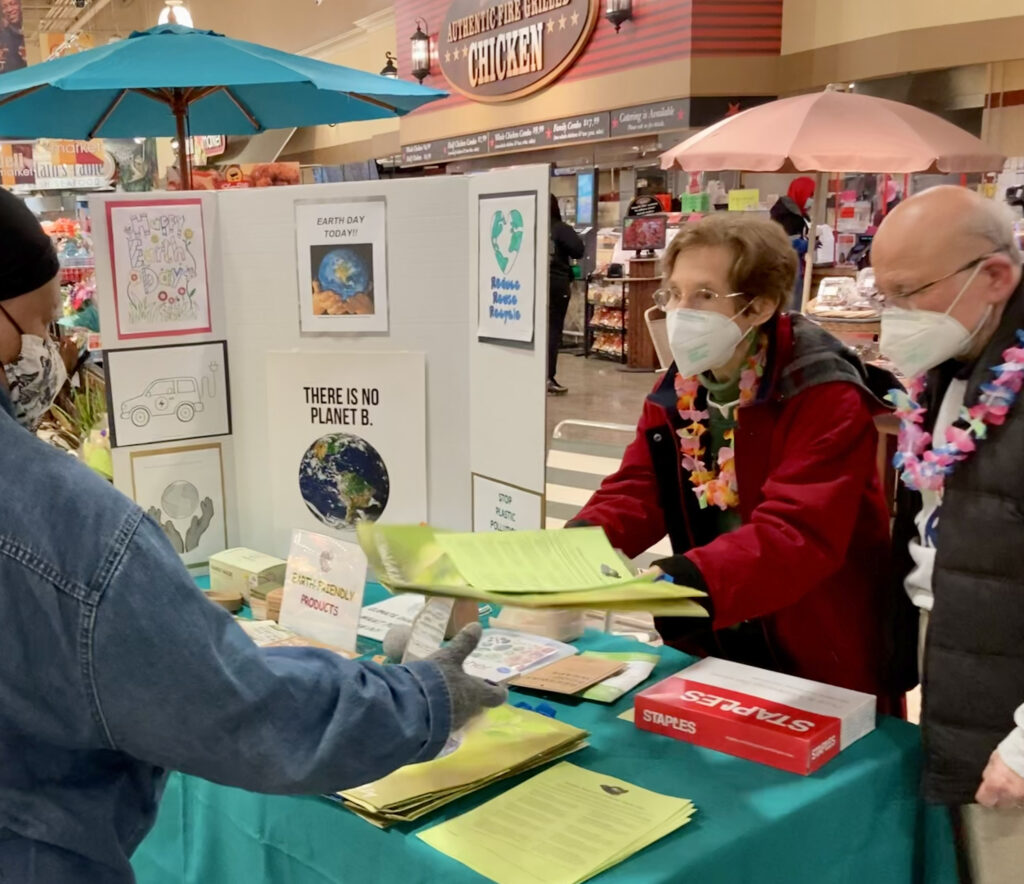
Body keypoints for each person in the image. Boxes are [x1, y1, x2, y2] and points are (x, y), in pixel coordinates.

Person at [0, 187, 506, 883]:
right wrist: (418, 699)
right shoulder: (70, 529)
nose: (48, 351)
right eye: (41, 322)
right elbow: (239, 708)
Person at [570, 213, 914, 712]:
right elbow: (639, 487)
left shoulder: (822, 389)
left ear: (760, 306)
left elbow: (797, 533)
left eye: (705, 295)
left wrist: (681, 580)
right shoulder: (681, 384)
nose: (683, 311)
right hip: (717, 636)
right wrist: (574, 547)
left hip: (819, 646)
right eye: (675, 293)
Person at [873, 185, 1024, 884]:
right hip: (962, 642)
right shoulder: (951, 361)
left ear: (994, 277)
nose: (892, 318)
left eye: (908, 292)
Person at [548, 194, 585, 395]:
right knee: (552, 330)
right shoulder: (560, 228)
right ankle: (547, 376)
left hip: (535, 285)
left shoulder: (529, 226)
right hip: (556, 285)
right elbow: (579, 250)